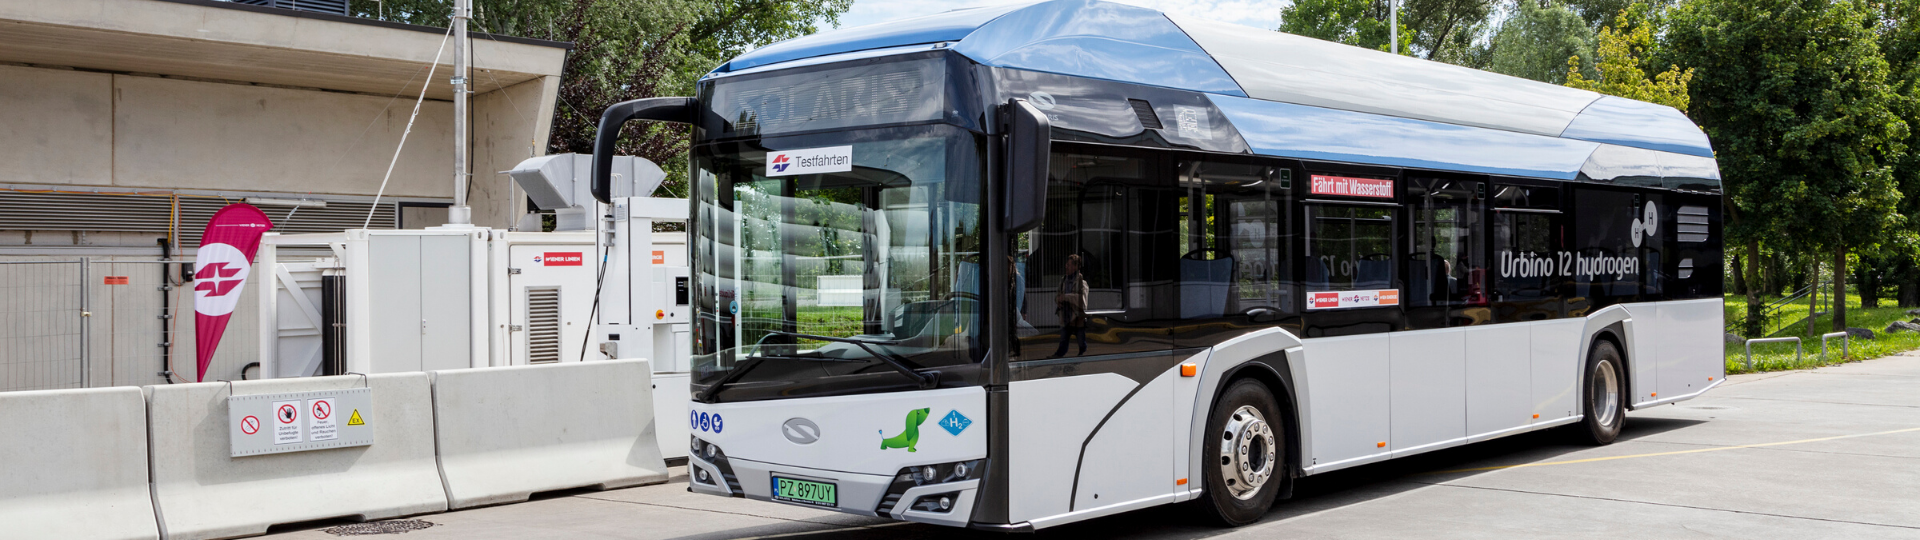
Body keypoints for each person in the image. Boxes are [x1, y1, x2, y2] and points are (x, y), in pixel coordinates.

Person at [1052, 254, 1089, 358]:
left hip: (1077, 317)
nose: (1066, 266)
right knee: (1064, 338)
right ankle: (1059, 355)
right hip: (1065, 316)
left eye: (1069, 264)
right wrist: (1058, 300)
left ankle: (1083, 355)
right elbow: (1058, 295)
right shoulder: (1063, 280)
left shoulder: (1082, 282)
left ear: (1076, 267)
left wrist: (1065, 297)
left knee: (1081, 341)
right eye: (1066, 264)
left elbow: (1082, 300)